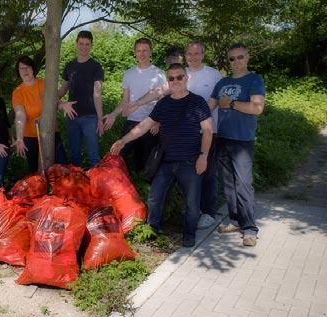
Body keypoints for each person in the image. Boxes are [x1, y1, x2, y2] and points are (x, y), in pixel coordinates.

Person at [110, 63, 213, 248]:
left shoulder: (197, 102)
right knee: (155, 197)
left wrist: (203, 156)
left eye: (179, 77)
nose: (175, 81)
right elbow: (144, 125)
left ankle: (189, 235)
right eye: (171, 78)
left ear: (186, 78)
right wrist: (123, 140)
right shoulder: (164, 103)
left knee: (192, 202)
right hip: (166, 161)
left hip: (190, 162)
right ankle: (153, 231)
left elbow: (207, 131)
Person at [209, 43, 265, 247]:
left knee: (243, 184)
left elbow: (257, 108)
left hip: (243, 141)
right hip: (222, 138)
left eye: (240, 57)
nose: (236, 62)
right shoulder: (223, 81)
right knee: (228, 185)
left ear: (247, 57)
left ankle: (250, 229)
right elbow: (210, 105)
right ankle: (235, 221)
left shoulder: (254, 79)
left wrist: (231, 103)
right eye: (232, 59)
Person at [103, 38, 168, 172]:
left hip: (151, 123)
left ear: (151, 52)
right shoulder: (129, 74)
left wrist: (158, 121)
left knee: (148, 164)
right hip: (132, 122)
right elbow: (125, 100)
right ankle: (120, 187)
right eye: (139, 51)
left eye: (145, 50)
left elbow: (163, 100)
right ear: (135, 52)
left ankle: (147, 189)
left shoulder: (159, 73)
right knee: (119, 156)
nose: (142, 54)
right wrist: (114, 114)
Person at [185, 40, 223, 230]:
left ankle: (209, 212)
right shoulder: (181, 75)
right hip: (187, 134)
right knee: (191, 173)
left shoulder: (214, 74)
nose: (193, 57)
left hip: (209, 131)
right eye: (189, 54)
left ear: (203, 54)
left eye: (197, 53)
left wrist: (198, 118)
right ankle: (194, 210)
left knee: (208, 172)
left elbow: (215, 100)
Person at [11, 55, 67, 172]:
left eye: (28, 67)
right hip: (30, 136)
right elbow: (20, 114)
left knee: (62, 166)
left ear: (33, 69)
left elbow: (55, 101)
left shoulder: (43, 83)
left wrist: (63, 105)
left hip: (51, 132)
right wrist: (19, 138)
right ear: (18, 71)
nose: (25, 70)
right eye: (22, 68)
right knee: (36, 171)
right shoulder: (18, 92)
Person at [58, 30, 104, 167]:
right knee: (74, 156)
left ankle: (95, 185)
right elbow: (63, 89)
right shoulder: (70, 66)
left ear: (91, 45)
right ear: (76, 44)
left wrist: (100, 119)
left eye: (87, 44)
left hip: (90, 117)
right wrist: (55, 100)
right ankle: (76, 185)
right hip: (72, 116)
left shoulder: (96, 67)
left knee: (93, 156)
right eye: (81, 43)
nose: (84, 47)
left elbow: (97, 94)